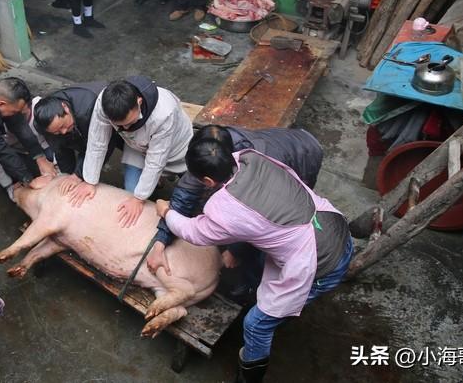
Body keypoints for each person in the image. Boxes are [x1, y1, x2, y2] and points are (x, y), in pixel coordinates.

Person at [155, 136, 352, 383]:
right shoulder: (251, 157)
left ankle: (249, 377)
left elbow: (193, 231)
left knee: (256, 324)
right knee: (261, 267)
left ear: (207, 181)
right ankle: (270, 307)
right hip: (334, 225)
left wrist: (166, 212)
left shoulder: (224, 209)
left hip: (321, 263)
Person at [147, 125, 324, 283]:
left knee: (273, 235)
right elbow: (185, 194)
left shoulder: (259, 167)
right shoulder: (211, 153)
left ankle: (251, 284)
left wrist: (235, 250)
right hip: (283, 142)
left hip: (304, 155)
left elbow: (253, 223)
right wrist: (160, 242)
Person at [68, 76, 193, 228]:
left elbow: (156, 161)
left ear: (139, 102)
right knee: (130, 192)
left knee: (189, 192)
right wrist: (89, 180)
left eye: (129, 123)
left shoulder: (164, 113)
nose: (126, 128)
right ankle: (153, 183)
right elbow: (97, 142)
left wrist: (139, 199)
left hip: (176, 148)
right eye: (120, 125)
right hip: (137, 146)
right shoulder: (103, 103)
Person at [32, 81, 123, 193]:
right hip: (80, 123)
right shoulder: (43, 124)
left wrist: (78, 175)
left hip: (117, 114)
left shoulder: (90, 110)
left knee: (126, 145)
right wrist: (67, 176)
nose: (63, 131)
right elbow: (60, 148)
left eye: (63, 126)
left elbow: (100, 146)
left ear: (65, 108)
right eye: (57, 131)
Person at [0, 94, 57, 200]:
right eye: (14, 113)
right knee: (14, 170)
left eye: (21, 112)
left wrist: (54, 164)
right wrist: (8, 185)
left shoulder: (40, 109)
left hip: (41, 147)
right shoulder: (0, 127)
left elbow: (56, 138)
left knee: (52, 156)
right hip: (17, 152)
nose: (17, 119)